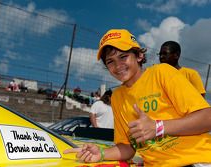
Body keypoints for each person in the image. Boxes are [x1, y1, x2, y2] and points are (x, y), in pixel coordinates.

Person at [63, 29, 211, 166]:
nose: (118, 65)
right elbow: (127, 147)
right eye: (110, 61)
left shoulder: (162, 72)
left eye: (123, 57)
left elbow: (207, 118)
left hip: (197, 160)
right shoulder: (117, 97)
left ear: (139, 56)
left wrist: (158, 127)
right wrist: (101, 153)